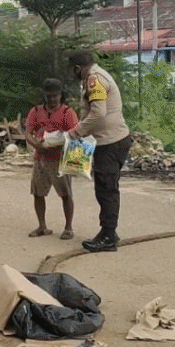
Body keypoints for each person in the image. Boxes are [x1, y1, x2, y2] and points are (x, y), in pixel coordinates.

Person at [67, 51, 132, 252]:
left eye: (73, 70)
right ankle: (108, 232)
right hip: (109, 140)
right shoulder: (96, 76)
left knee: (107, 190)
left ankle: (108, 236)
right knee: (104, 188)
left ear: (78, 68)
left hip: (111, 142)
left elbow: (98, 112)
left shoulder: (95, 80)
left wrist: (76, 132)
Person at [24, 78, 79, 240]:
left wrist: (59, 143)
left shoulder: (67, 113)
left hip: (60, 159)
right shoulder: (35, 111)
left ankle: (68, 227)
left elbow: (75, 134)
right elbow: (28, 132)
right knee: (38, 193)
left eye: (55, 96)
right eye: (49, 96)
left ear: (61, 95)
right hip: (40, 157)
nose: (52, 99)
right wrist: (36, 144)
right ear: (44, 96)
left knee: (65, 193)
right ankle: (42, 226)